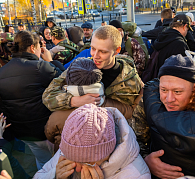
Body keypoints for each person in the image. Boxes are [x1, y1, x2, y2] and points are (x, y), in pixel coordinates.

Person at [43, 26, 148, 154]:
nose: (95, 56)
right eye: (93, 48)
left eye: (102, 51)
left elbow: (137, 117)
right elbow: (48, 96)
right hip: (75, 144)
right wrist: (75, 101)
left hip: (111, 146)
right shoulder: (81, 67)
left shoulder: (130, 78)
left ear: (116, 51)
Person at [0, 31, 64, 170]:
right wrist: (50, 60)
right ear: (32, 47)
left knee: (42, 161)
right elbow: (65, 80)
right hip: (46, 130)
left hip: (22, 133)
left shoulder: (2, 72)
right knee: (56, 163)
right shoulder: (41, 67)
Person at [33, 104, 151, 179]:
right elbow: (40, 174)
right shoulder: (68, 150)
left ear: (107, 152)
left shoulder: (137, 175)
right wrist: (53, 175)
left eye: (87, 162)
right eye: (72, 159)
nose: (77, 167)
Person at [142, 14, 193, 83]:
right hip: (171, 82)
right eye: (187, 29)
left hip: (159, 80)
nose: (187, 32)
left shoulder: (162, 37)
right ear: (185, 26)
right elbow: (182, 70)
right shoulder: (179, 43)